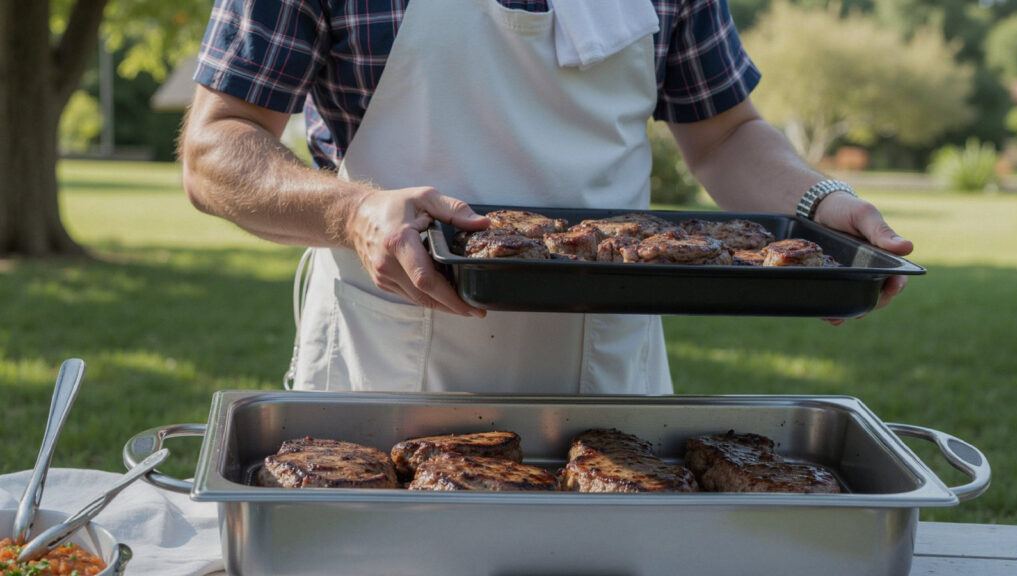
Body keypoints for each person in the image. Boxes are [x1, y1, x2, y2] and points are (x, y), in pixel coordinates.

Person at [180, 0, 913, 395]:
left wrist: (819, 204)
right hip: (389, 367)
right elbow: (218, 145)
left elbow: (725, 136)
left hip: (608, 382)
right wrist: (353, 212)